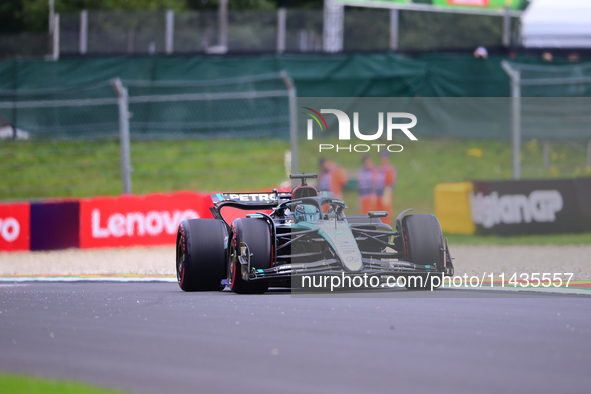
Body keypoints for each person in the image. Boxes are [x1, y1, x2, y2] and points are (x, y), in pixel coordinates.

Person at [374, 151, 396, 226]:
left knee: (386, 211)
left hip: (386, 191)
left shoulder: (390, 169)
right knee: (377, 212)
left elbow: (390, 182)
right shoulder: (378, 169)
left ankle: (386, 227)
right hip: (378, 193)